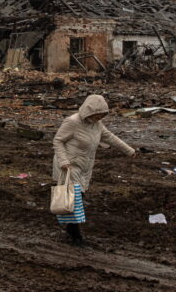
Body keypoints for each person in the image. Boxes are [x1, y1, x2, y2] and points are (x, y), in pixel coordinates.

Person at [52, 94, 135, 246]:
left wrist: (129, 150)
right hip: (70, 165)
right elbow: (58, 141)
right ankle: (75, 235)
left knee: (77, 199)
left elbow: (110, 137)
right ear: (89, 111)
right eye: (97, 114)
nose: (99, 117)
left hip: (85, 167)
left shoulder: (97, 124)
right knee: (76, 201)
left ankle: (70, 229)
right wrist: (63, 161)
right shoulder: (72, 122)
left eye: (101, 114)